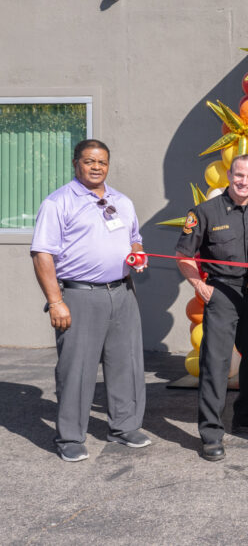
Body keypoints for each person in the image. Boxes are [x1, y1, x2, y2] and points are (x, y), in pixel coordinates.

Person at [30, 139, 150, 462]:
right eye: (89, 161)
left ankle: (124, 427)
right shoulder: (58, 203)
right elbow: (42, 254)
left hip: (122, 293)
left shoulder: (122, 202)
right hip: (80, 296)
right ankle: (70, 436)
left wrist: (137, 257)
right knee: (77, 369)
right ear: (75, 163)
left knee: (126, 363)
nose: (96, 167)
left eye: (102, 162)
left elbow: (135, 240)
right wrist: (56, 302)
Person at [176, 154, 248, 462]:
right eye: (239, 175)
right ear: (229, 174)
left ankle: (247, 417)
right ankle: (211, 434)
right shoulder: (204, 212)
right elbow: (184, 255)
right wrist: (199, 286)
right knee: (215, 367)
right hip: (222, 295)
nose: (244, 181)